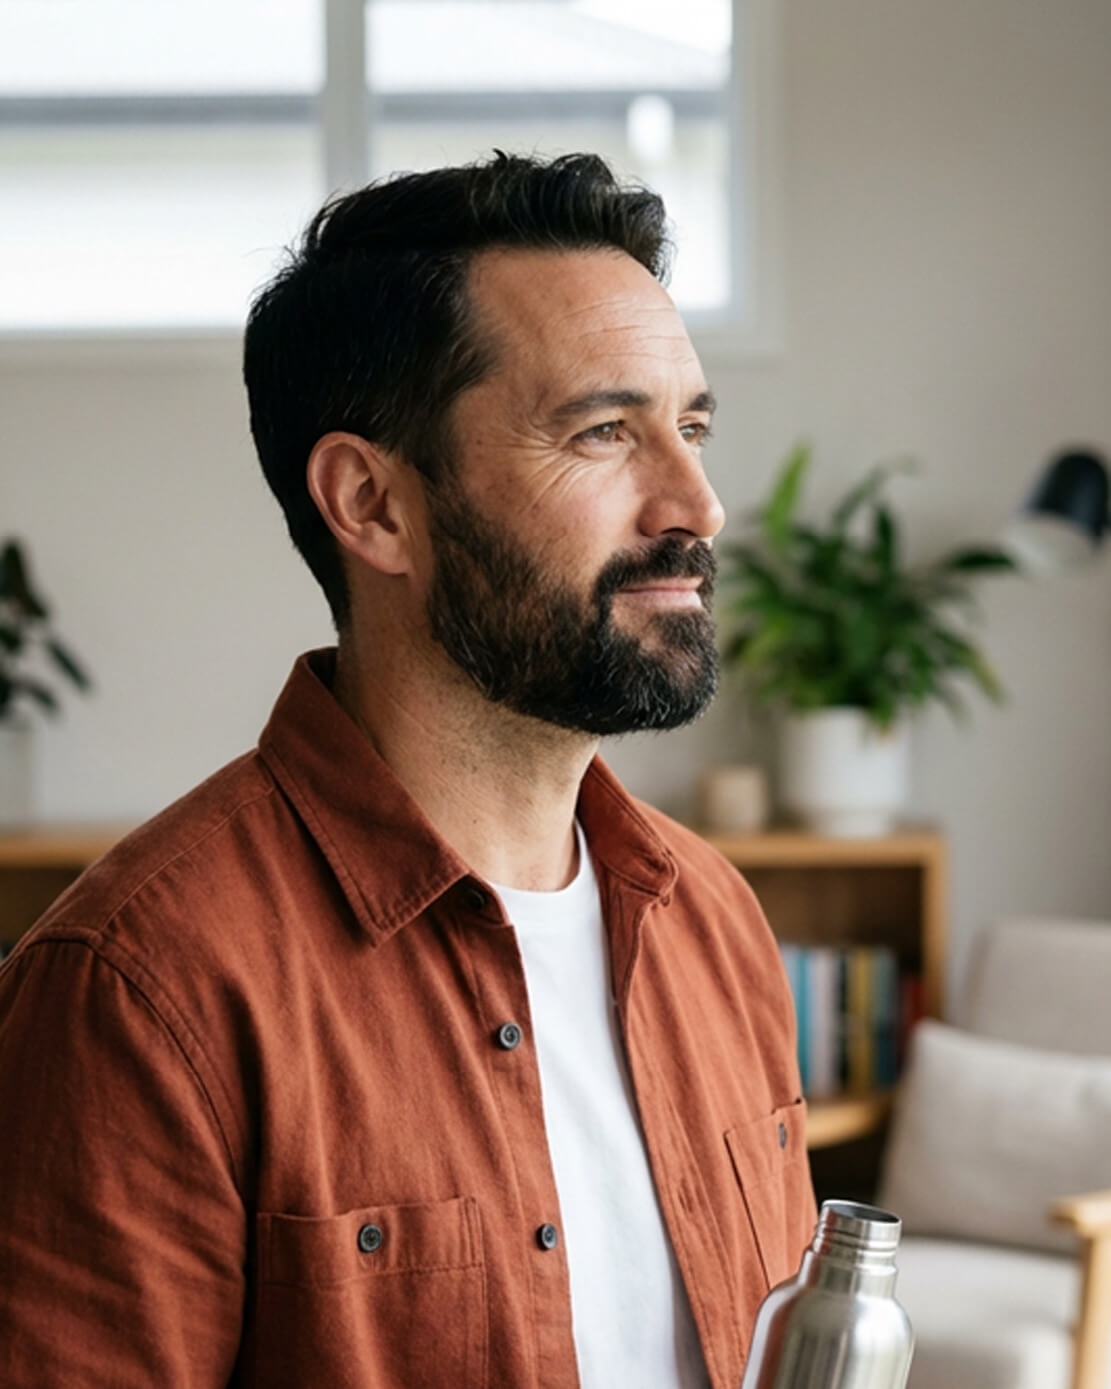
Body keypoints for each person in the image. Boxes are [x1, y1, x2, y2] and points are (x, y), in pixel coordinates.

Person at [0, 152, 815, 1388]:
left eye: (690, 428)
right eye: (604, 431)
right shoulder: (141, 990)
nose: (694, 501)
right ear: (372, 503)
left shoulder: (716, 924)